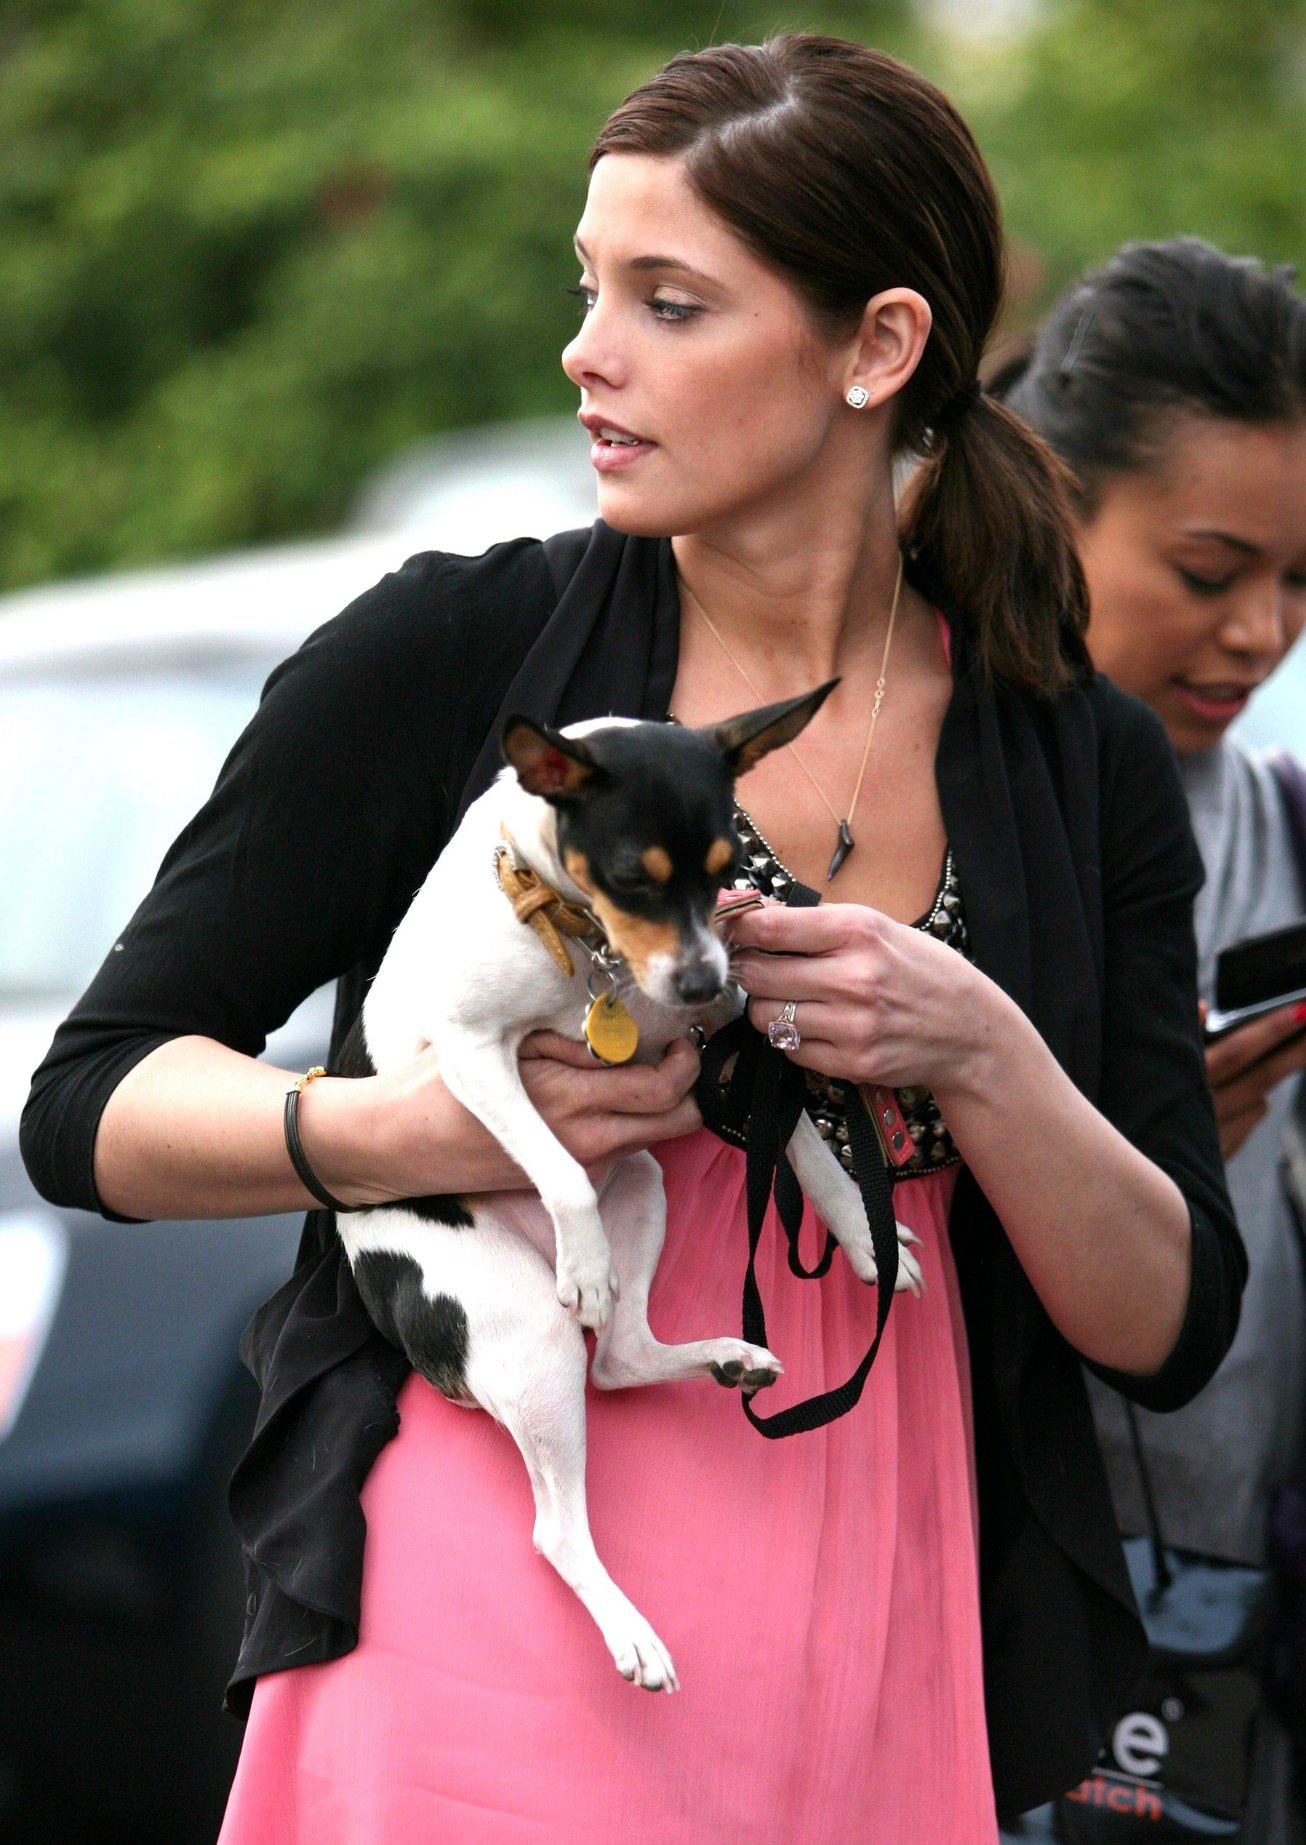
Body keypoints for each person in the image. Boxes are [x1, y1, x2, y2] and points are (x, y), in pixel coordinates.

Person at [20, 40, 1243, 1844]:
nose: (588, 351)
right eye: (588, 290)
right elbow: (89, 1104)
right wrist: (405, 1127)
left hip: (891, 1576)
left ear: (878, 346)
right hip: (492, 1518)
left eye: (666, 302)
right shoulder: (449, 652)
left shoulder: (1073, 753)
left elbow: (1164, 1321)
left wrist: (980, 1051)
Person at [998, 238, 1306, 1842]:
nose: (1258, 633)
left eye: (1299, 581)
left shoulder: (1276, 821)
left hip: (1229, 1614)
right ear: (1051, 494)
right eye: (1206, 571)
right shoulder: (903, 804)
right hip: (982, 1613)